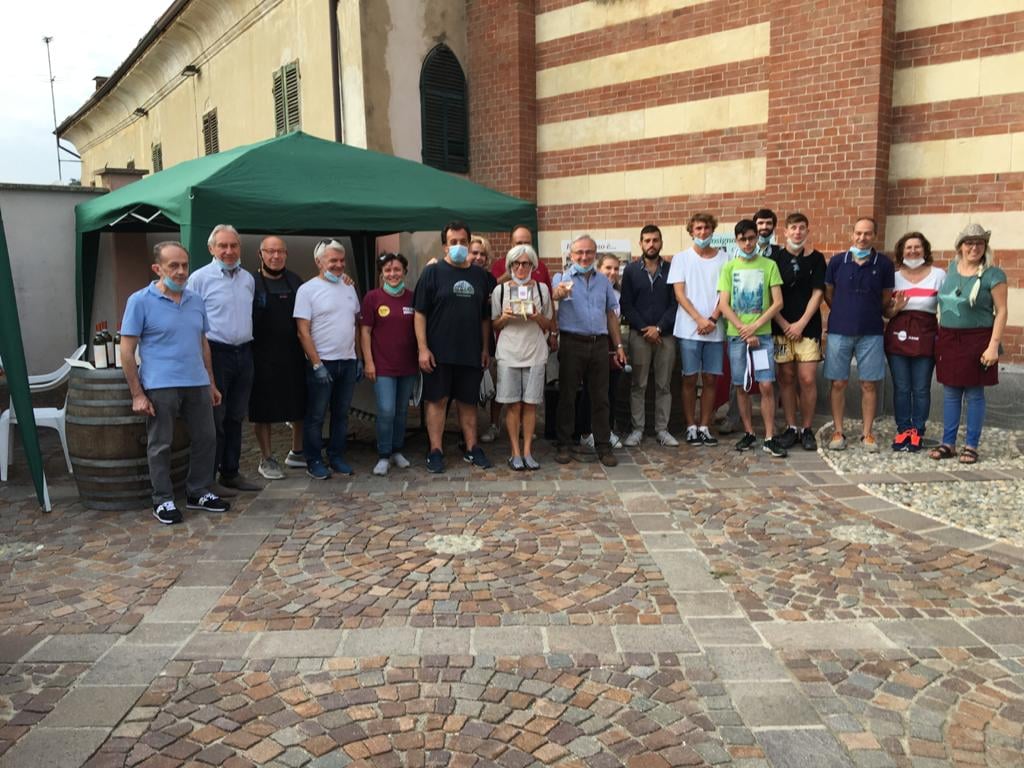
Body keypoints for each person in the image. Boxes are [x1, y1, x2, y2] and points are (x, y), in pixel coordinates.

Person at [120, 242, 228, 524]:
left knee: (207, 438)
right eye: (173, 266)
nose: (181, 271)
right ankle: (163, 499)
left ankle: (198, 491)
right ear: (157, 268)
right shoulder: (139, 301)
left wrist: (211, 382)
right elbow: (127, 351)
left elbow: (202, 343)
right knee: (161, 444)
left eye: (184, 265)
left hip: (196, 382)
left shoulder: (196, 300)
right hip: (160, 384)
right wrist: (137, 394)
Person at [186, 224, 261, 493]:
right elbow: (191, 322)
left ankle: (231, 472)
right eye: (223, 246)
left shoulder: (247, 279)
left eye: (233, 245)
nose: (229, 251)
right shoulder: (199, 279)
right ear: (211, 248)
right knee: (214, 420)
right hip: (215, 354)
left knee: (236, 417)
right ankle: (208, 479)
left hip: (244, 353)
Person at [414, 220, 493, 473]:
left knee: (468, 402)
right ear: (445, 246)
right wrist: (423, 348)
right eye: (453, 242)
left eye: (463, 241)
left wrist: (485, 348)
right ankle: (435, 450)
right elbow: (419, 313)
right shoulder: (432, 273)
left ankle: (472, 447)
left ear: (469, 243)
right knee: (437, 401)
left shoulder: (480, 276)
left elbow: (485, 317)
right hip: (438, 352)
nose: (459, 245)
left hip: (470, 351)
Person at [930, 224, 1008, 464]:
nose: (974, 247)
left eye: (979, 243)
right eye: (969, 243)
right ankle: (948, 443)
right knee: (951, 392)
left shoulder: (994, 275)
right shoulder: (951, 269)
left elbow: (1002, 311)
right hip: (949, 339)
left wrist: (993, 346)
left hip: (978, 339)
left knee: (974, 393)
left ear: (985, 246)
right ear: (960, 247)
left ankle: (971, 445)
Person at [552, 235, 627, 467]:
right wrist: (557, 295)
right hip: (572, 342)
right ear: (571, 255)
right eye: (579, 252)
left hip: (599, 344)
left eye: (588, 252)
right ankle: (564, 444)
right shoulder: (561, 278)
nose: (584, 257)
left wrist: (618, 346)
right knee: (567, 396)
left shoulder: (603, 281)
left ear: (595, 255)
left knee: (601, 397)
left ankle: (603, 445)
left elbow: (611, 315)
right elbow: (552, 300)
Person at [823, 217, 895, 452]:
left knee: (869, 384)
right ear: (851, 234)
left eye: (867, 233)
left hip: (871, 332)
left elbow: (885, 298)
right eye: (858, 233)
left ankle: (867, 434)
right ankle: (838, 431)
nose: (862, 238)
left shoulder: (884, 264)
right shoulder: (837, 262)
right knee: (838, 383)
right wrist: (844, 311)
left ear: (874, 235)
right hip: (839, 331)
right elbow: (829, 294)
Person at [293, 239, 363, 479]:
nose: (339, 265)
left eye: (342, 260)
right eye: (333, 260)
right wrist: (316, 364)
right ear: (319, 261)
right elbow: (303, 331)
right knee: (316, 415)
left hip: (347, 361)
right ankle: (313, 460)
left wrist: (358, 357)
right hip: (322, 363)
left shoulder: (349, 287)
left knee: (341, 414)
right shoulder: (307, 290)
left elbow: (354, 324)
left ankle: (336, 456)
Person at [717, 220, 786, 457]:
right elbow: (723, 304)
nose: (747, 243)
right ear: (736, 241)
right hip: (737, 338)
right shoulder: (729, 268)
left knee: (766, 384)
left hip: (762, 336)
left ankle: (769, 436)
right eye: (742, 239)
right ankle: (748, 432)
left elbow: (778, 302)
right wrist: (742, 329)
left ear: (757, 238)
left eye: (751, 238)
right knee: (741, 385)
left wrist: (755, 327)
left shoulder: (769, 265)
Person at [668, 212, 728, 446]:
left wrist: (712, 319)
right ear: (691, 231)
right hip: (688, 329)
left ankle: (705, 426)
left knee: (711, 379)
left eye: (706, 228)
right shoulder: (681, 259)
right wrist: (699, 319)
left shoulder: (724, 258)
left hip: (715, 328)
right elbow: (679, 293)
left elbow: (725, 293)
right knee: (690, 379)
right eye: (698, 228)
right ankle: (691, 426)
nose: (703, 233)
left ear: (713, 230)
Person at [491, 244, 553, 470]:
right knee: (513, 404)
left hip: (534, 352)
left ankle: (527, 451)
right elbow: (494, 324)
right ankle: (515, 452)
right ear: (510, 266)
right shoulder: (500, 291)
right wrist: (505, 317)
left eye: (525, 263)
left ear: (532, 266)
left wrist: (536, 316)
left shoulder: (542, 289)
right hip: (509, 353)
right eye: (516, 263)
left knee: (530, 404)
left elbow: (549, 323)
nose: (520, 268)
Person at [249, 236, 306, 479]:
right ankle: (267, 458)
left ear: (286, 254)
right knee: (262, 409)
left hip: (293, 352)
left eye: (280, 252)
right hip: (260, 354)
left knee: (299, 403)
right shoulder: (250, 282)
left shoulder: (296, 281)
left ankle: (297, 451)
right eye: (270, 251)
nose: (275, 256)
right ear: (260, 254)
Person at [883, 232, 945, 452]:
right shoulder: (893, 277)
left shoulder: (938, 275)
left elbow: (946, 307)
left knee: (920, 388)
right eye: (908, 248)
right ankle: (903, 430)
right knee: (901, 387)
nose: (913, 251)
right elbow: (886, 312)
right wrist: (896, 308)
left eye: (917, 247)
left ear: (925, 250)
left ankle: (917, 430)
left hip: (926, 335)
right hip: (898, 335)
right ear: (901, 251)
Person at [770, 213, 826, 452]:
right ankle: (791, 427)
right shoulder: (774, 258)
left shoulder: (816, 259)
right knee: (786, 377)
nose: (797, 232)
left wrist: (801, 324)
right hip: (780, 327)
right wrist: (784, 324)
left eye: (802, 228)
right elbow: (769, 295)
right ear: (785, 232)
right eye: (793, 228)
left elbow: (818, 293)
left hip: (808, 329)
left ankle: (807, 428)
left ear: (807, 231)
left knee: (807, 379)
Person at [620, 225, 678, 448]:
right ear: (641, 244)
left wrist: (659, 328)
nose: (651, 244)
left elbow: (676, 304)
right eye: (647, 240)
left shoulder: (672, 269)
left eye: (655, 240)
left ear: (661, 242)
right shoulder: (631, 271)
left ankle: (662, 430)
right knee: (638, 384)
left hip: (666, 336)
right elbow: (626, 304)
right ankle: (638, 429)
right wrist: (646, 328)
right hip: (640, 335)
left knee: (664, 385)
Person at [361, 252, 418, 476]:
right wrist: (368, 362)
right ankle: (383, 454)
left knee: (402, 411)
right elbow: (365, 332)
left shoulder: (413, 298)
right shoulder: (372, 298)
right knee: (386, 410)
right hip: (382, 366)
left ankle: (397, 450)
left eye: (397, 270)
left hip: (408, 365)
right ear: (382, 274)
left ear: (404, 272)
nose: (393, 274)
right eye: (388, 270)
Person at [470, 236, 503, 444]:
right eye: (474, 253)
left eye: (483, 254)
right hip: (463, 340)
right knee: (467, 390)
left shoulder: (491, 280)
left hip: (486, 341)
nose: (479, 257)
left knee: (495, 386)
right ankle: (469, 431)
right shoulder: (456, 275)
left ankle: (494, 425)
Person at [492, 224, 552, 289]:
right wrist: (506, 277)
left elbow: (548, 293)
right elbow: (492, 289)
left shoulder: (540, 266)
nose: (523, 246)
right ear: (511, 244)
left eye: (527, 243)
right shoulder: (499, 266)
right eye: (519, 243)